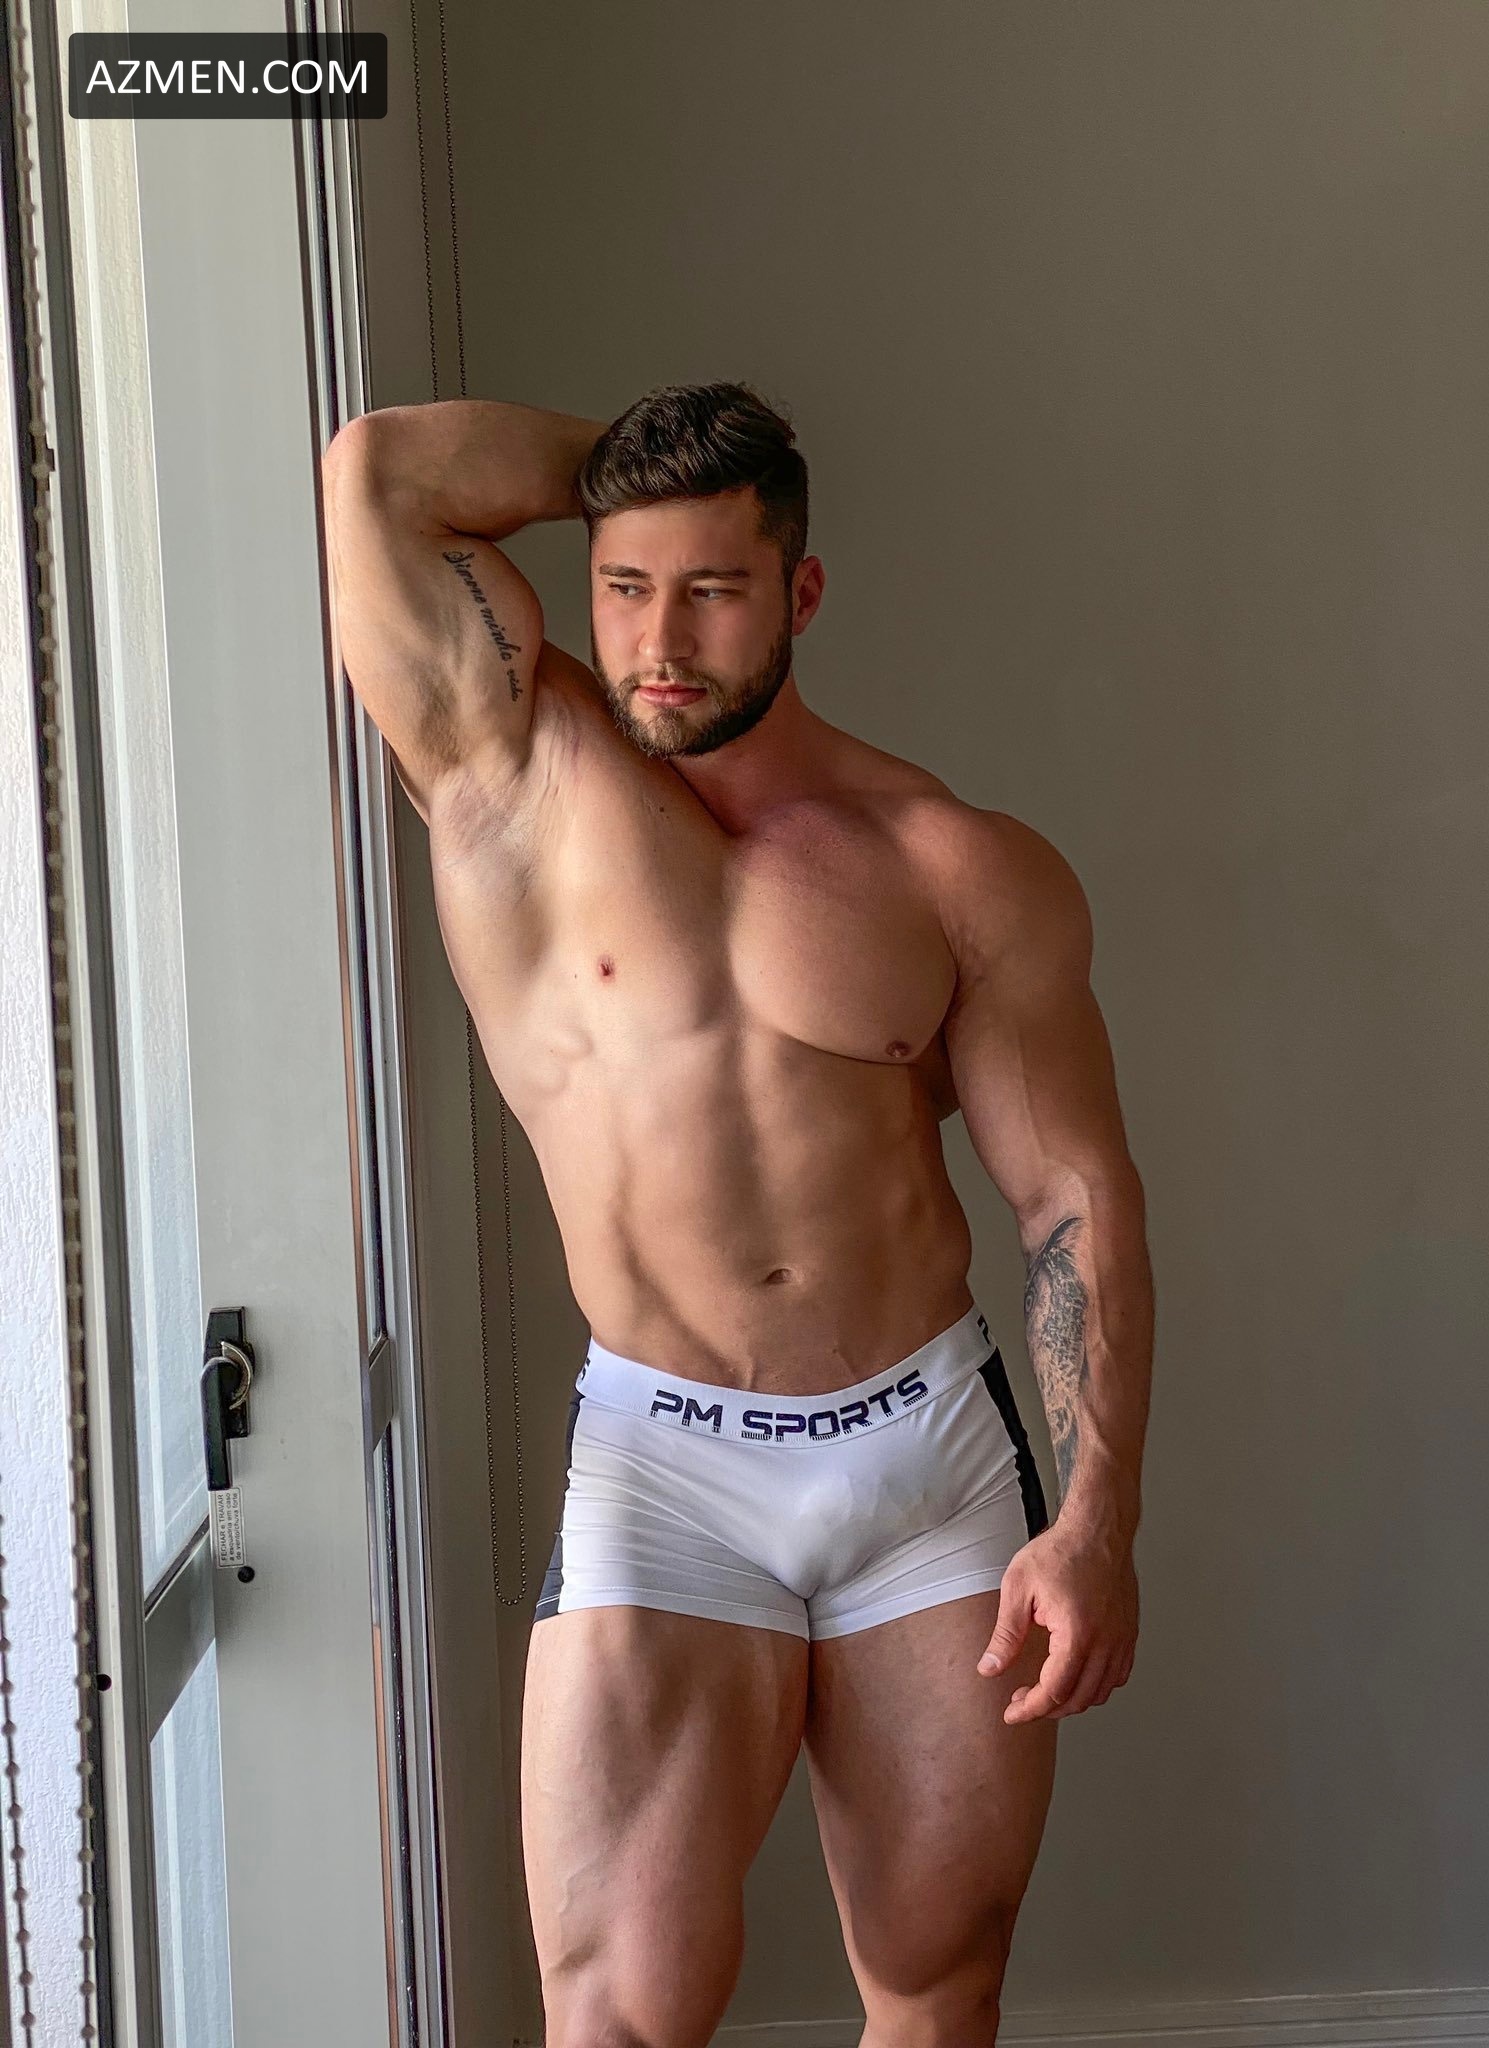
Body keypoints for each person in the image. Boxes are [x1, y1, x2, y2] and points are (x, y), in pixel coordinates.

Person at [320, 382, 1154, 2048]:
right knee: (616, 2016)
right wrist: (641, 476)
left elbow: (1069, 1195)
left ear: (801, 589)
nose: (659, 640)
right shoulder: (503, 773)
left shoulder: (950, 864)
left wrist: (1096, 1522)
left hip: (924, 1460)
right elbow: (379, 475)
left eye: (713, 588)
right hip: (668, 1463)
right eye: (626, 586)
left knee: (936, 1988)